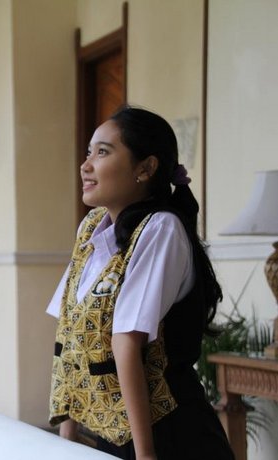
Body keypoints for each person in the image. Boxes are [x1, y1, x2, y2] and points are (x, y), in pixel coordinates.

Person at [46, 106, 234, 460]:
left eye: (103, 152)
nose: (86, 165)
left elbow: (126, 342)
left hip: (167, 434)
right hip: (114, 436)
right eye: (89, 152)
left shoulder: (161, 228)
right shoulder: (91, 228)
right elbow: (67, 333)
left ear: (145, 168)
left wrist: (146, 455)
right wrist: (68, 431)